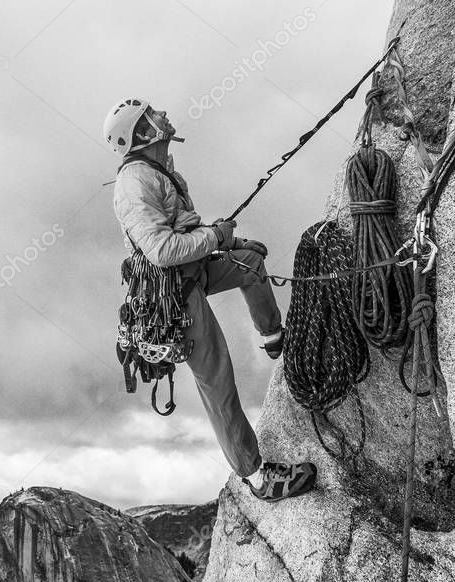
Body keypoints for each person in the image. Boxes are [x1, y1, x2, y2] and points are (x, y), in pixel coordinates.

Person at [104, 98, 317, 502]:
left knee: (250, 261)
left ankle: (274, 337)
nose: (163, 116)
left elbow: (185, 232)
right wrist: (218, 237)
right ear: (143, 133)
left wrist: (232, 242)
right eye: (153, 115)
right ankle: (254, 476)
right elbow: (163, 251)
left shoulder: (160, 170)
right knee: (216, 377)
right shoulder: (134, 184)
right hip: (172, 294)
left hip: (191, 271)